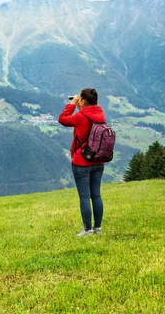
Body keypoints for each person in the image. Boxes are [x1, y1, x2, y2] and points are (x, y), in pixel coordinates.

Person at [58, 88, 106, 237]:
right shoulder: (100, 114)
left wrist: (72, 104)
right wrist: (81, 107)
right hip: (98, 160)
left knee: (85, 197)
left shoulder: (79, 116)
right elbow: (88, 115)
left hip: (82, 162)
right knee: (96, 195)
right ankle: (97, 228)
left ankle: (87, 230)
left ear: (83, 101)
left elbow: (62, 119)